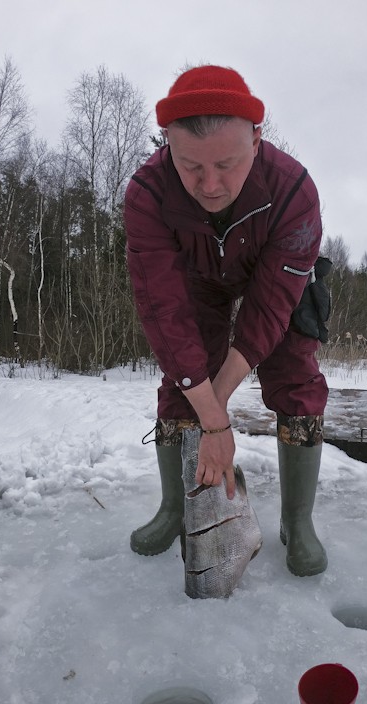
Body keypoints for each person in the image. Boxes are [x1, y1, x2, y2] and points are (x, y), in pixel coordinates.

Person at [124, 65, 329, 577]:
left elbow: (269, 310)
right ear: (167, 144)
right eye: (190, 166)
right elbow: (163, 309)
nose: (210, 185)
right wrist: (208, 412)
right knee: (181, 381)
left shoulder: (294, 191)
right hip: (197, 282)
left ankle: (297, 520)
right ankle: (176, 507)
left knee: (296, 372)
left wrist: (219, 410)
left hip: (273, 278)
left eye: (226, 164)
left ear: (257, 140)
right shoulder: (147, 195)